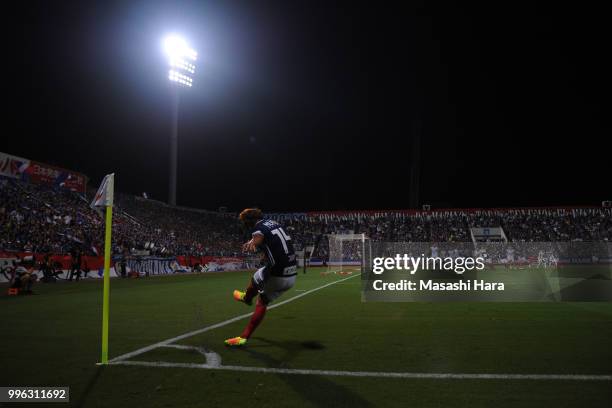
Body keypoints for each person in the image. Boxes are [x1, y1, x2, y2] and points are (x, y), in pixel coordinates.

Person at [224, 208, 297, 347]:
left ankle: (243, 334)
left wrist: (254, 243)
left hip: (278, 275)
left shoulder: (257, 228)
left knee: (261, 299)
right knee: (259, 279)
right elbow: (271, 238)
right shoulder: (274, 223)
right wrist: (260, 245)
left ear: (248, 222)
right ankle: (246, 297)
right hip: (292, 275)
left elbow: (259, 237)